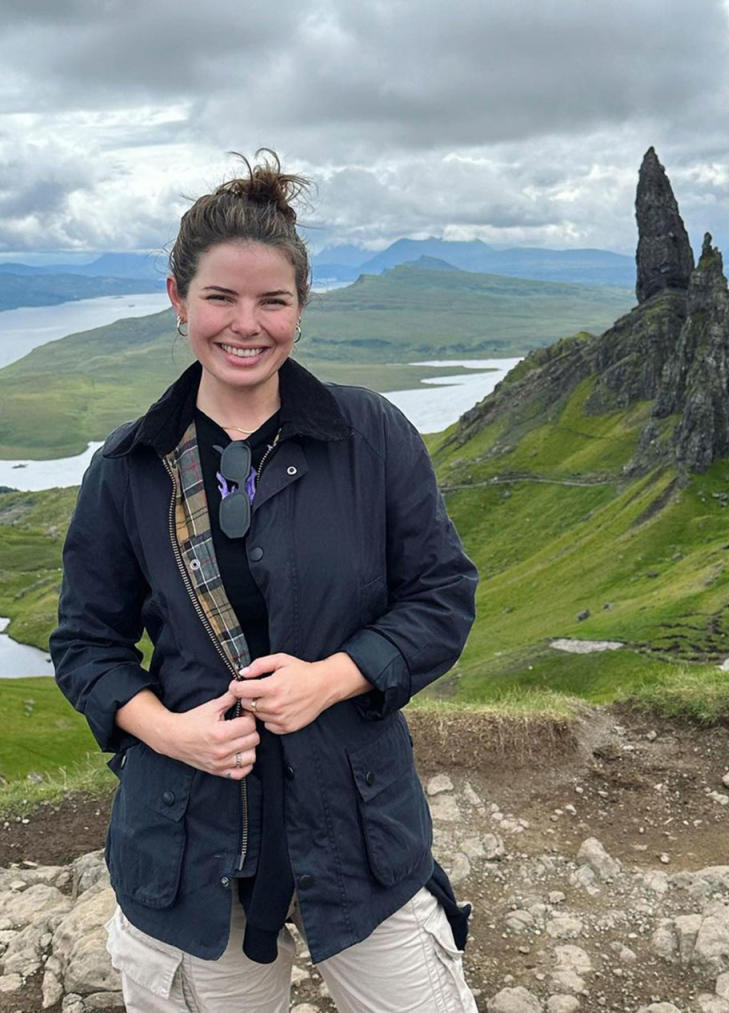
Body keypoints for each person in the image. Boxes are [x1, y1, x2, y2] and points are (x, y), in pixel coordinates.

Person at [51, 152, 479, 1013]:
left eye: (272, 301)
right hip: (186, 835)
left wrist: (332, 677)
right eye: (220, 298)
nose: (246, 324)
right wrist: (170, 733)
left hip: (359, 828)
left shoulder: (371, 434)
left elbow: (442, 594)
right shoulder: (130, 466)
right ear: (177, 300)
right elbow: (87, 645)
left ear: (300, 308)